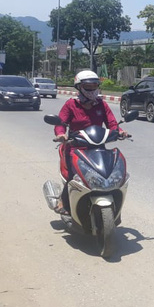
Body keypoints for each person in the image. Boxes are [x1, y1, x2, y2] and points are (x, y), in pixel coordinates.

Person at [53, 70, 128, 214]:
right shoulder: (71, 105)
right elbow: (60, 122)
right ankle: (64, 200)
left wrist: (120, 132)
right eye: (88, 86)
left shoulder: (101, 105)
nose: (92, 90)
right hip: (76, 147)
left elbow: (112, 123)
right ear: (79, 87)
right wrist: (61, 133)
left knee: (108, 175)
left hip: (97, 147)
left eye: (95, 86)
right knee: (72, 177)